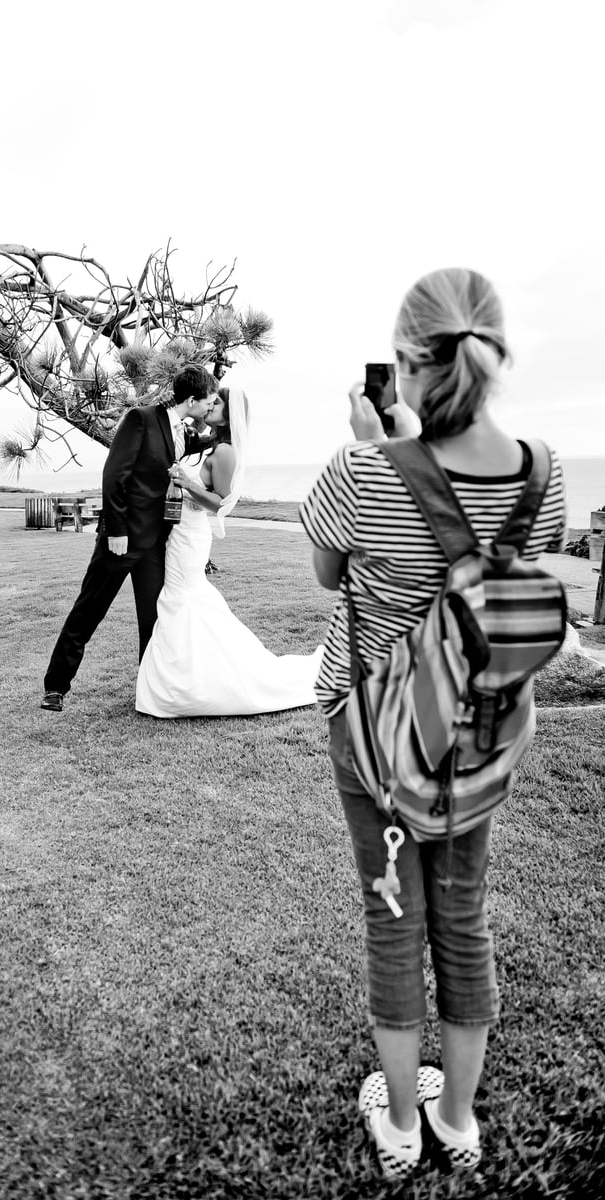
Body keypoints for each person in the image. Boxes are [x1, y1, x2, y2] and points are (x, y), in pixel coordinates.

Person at [300, 268, 567, 1178]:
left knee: (392, 918)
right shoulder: (543, 472)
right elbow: (505, 577)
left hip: (377, 737)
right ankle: (456, 1120)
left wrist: (377, 446)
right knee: (463, 914)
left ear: (406, 365)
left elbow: (330, 577)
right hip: (483, 741)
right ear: (493, 355)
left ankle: (400, 1128)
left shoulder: (361, 470)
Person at [136, 386, 322, 717]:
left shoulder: (225, 452)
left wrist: (186, 483)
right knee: (185, 598)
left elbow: (221, 503)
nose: (210, 405)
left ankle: (189, 683)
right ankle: (188, 676)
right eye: (211, 399)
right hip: (178, 532)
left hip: (191, 535)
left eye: (218, 402)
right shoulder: (209, 443)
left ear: (230, 414)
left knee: (181, 596)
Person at [41, 364, 218, 711]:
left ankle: (150, 690)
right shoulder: (141, 419)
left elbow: (204, 441)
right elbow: (114, 476)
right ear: (192, 400)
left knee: (153, 619)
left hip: (154, 545)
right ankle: (56, 687)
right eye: (209, 401)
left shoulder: (181, 431)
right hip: (120, 541)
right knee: (89, 610)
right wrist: (117, 530)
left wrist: (231, 431)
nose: (210, 406)